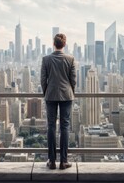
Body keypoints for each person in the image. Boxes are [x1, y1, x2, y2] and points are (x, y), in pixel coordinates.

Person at [41, 33, 76, 170]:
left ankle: (51, 161)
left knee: (51, 126)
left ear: (53, 44)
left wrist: (47, 92)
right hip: (66, 95)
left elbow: (43, 80)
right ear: (64, 44)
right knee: (65, 126)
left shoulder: (46, 59)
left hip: (51, 95)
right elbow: (73, 80)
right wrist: (70, 92)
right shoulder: (70, 59)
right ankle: (64, 161)